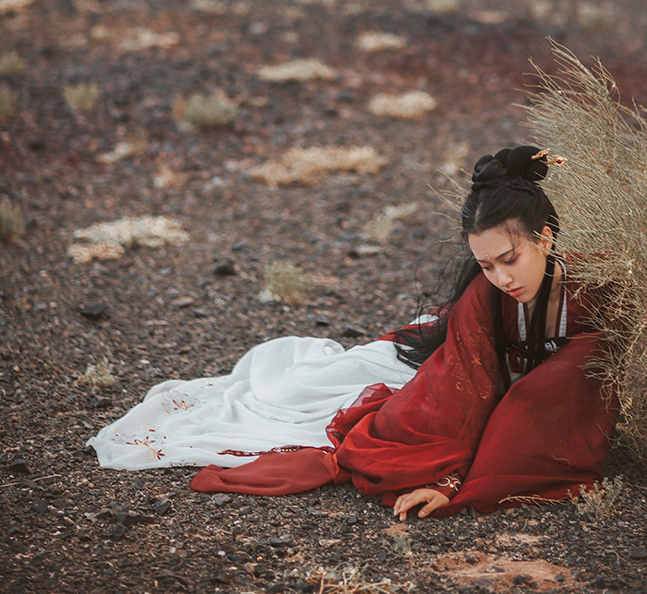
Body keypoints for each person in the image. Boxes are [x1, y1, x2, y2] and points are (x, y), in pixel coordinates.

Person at [89, 145, 619, 517]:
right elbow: (464, 391)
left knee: (305, 395)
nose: (501, 278)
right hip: (432, 360)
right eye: (485, 266)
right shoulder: (486, 298)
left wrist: (456, 489)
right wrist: (444, 473)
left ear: (546, 237)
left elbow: (542, 405)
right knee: (295, 390)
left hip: (495, 381)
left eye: (510, 259)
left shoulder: (596, 294)